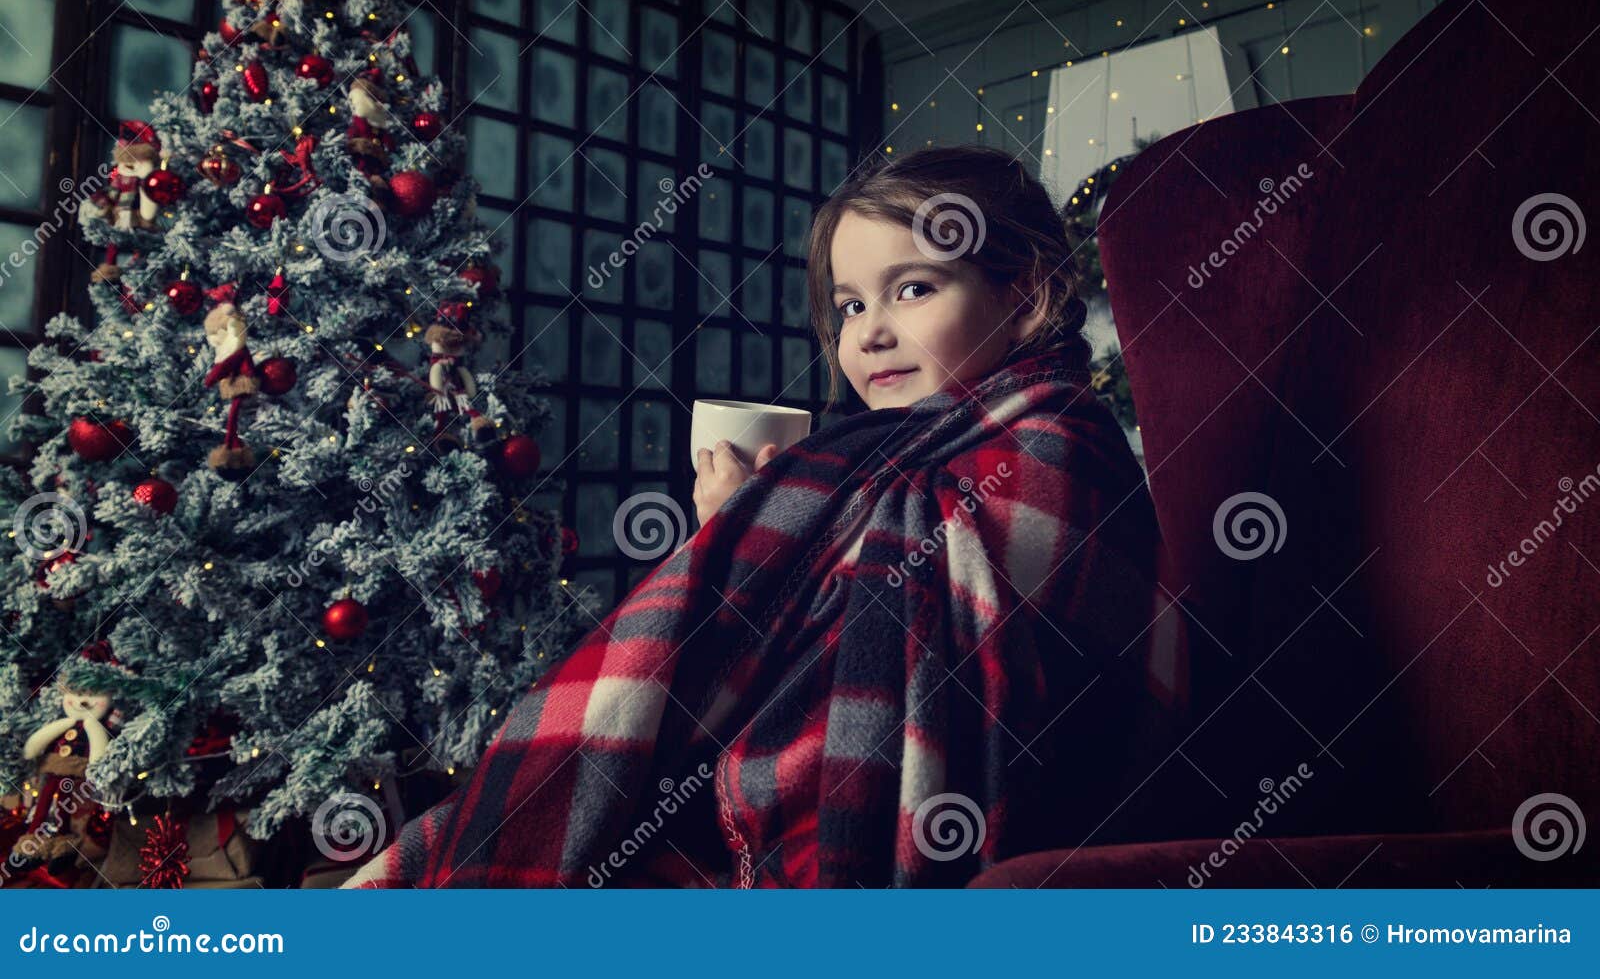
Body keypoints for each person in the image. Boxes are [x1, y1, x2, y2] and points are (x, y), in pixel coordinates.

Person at [345, 145, 1184, 888]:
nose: (870, 334)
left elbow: (926, 648)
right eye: (850, 305)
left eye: (914, 288)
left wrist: (771, 533)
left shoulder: (1061, 444)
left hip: (976, 834)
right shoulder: (881, 466)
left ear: (1027, 293)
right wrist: (764, 536)